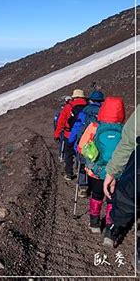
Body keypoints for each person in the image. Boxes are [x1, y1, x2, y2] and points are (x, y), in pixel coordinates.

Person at [78, 97, 125, 234]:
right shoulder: (124, 129)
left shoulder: (94, 126)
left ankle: (95, 224)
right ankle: (110, 227)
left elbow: (82, 147)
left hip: (96, 171)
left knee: (97, 195)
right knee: (112, 199)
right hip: (116, 172)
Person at [102, 106, 139, 247]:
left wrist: (111, 171)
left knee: (126, 196)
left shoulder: (95, 126)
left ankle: (112, 228)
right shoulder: (118, 127)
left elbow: (129, 141)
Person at [68, 90, 105, 197]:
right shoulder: (104, 113)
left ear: (91, 100)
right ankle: (96, 187)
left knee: (82, 164)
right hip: (99, 144)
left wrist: (72, 141)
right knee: (95, 164)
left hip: (85, 143)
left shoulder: (84, 113)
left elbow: (77, 128)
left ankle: (83, 187)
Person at [54, 89, 87, 180]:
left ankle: (69, 173)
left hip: (69, 134)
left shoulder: (68, 107)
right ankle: (82, 177)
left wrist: (57, 134)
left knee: (68, 154)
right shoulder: (87, 106)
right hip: (84, 135)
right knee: (82, 155)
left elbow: (61, 122)